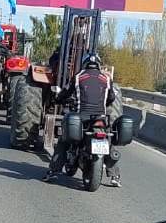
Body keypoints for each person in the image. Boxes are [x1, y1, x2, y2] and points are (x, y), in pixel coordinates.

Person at [42, 53, 122, 187]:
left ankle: (53, 171)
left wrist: (58, 98)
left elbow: (65, 92)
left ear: (84, 64)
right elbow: (112, 98)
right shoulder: (106, 79)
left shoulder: (79, 77)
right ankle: (115, 176)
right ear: (98, 64)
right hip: (100, 118)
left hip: (82, 116)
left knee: (64, 140)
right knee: (108, 143)